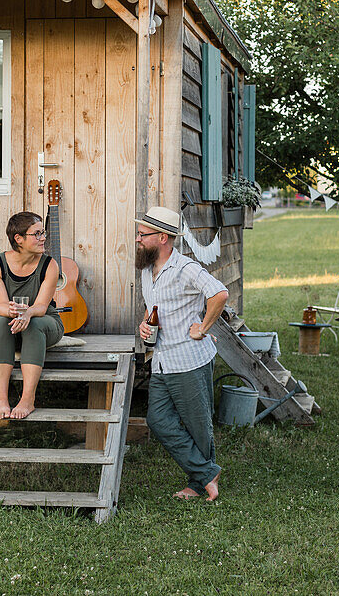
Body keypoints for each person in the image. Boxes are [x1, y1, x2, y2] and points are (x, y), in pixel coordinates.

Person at [135, 206, 229, 502]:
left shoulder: (185, 268)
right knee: (157, 420)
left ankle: (198, 482)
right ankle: (206, 472)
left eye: (143, 235)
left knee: (198, 424)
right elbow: (156, 310)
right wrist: (145, 325)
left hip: (189, 359)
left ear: (163, 237)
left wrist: (203, 327)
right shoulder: (146, 272)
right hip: (162, 361)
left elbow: (219, 293)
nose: (138, 239)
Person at [0, 211, 64, 419]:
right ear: (18, 239)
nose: (43, 238)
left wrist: (27, 314)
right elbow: (0, 305)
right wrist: (13, 312)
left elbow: (41, 306)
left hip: (44, 321)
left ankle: (28, 399)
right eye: (36, 234)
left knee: (33, 324)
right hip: (7, 322)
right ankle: (1, 398)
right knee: (2, 323)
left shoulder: (50, 265)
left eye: (43, 233)